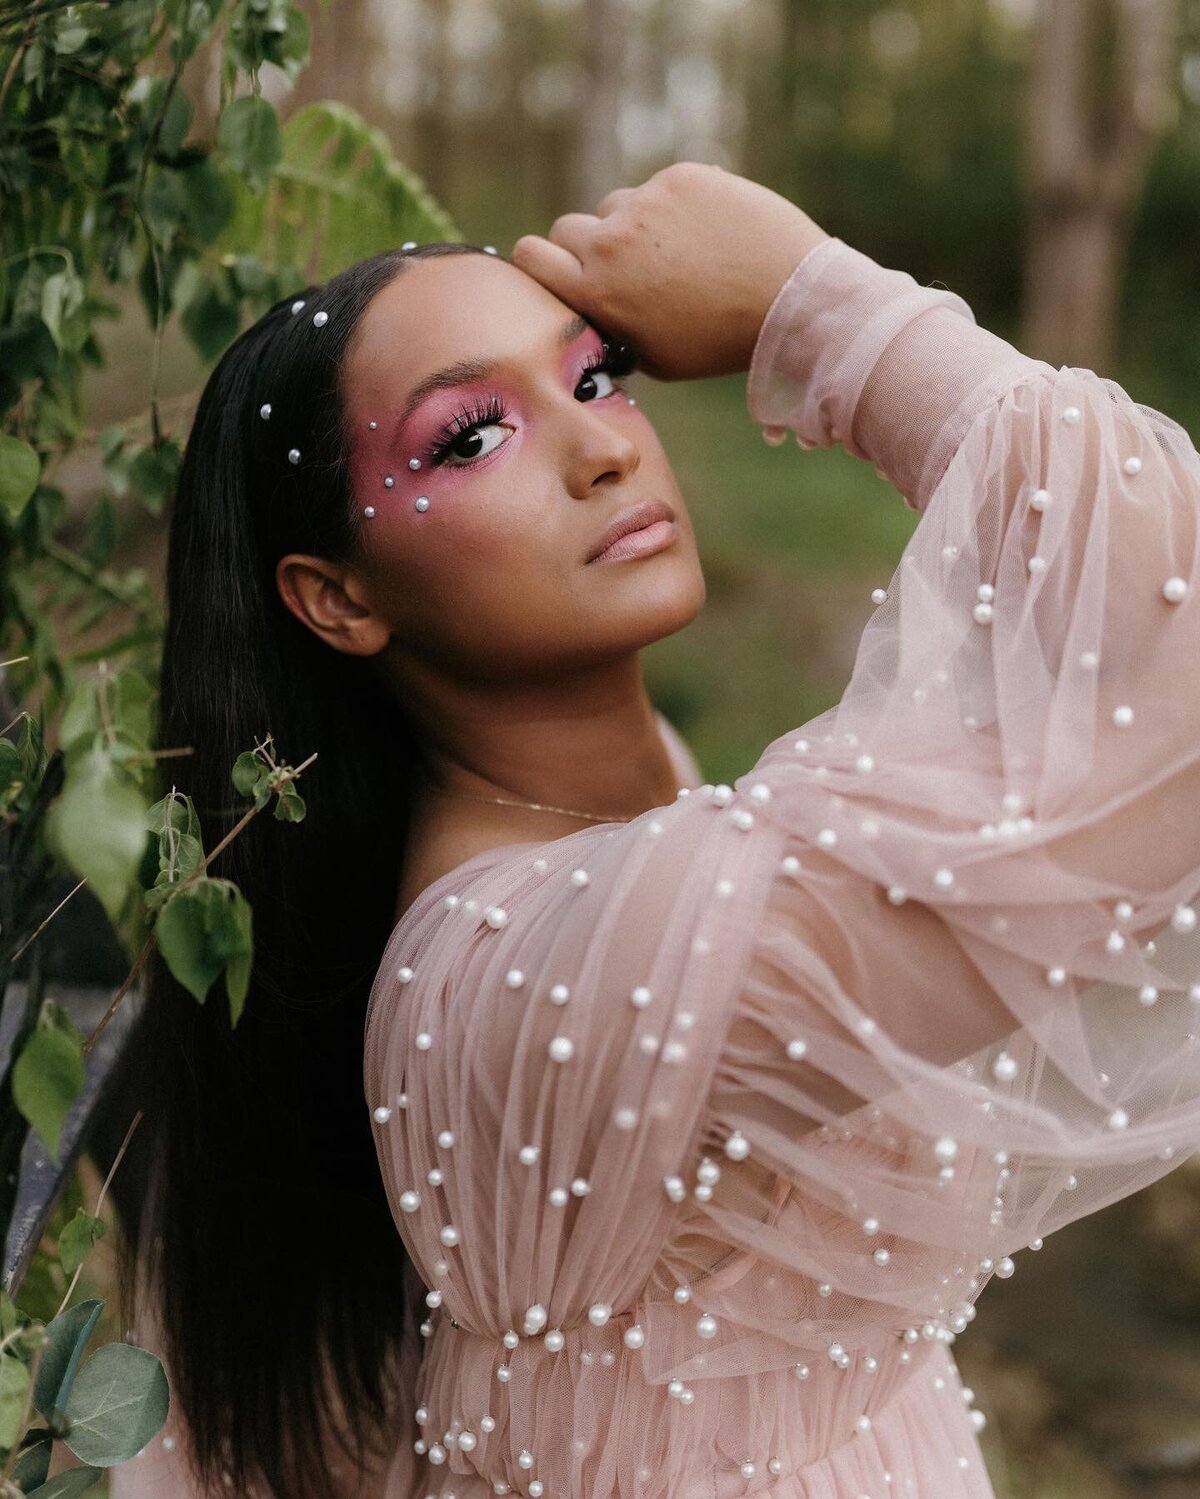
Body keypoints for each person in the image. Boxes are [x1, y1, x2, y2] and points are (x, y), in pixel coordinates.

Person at [102, 162, 1200, 1498]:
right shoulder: (536, 967)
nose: (607, 445)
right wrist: (825, 313)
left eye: (594, 375)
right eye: (469, 436)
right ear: (335, 599)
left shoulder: (641, 804)